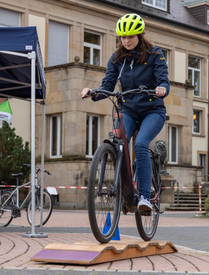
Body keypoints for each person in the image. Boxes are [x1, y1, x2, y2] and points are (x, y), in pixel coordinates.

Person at [81, 13, 170, 213]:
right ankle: (125, 190)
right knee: (117, 142)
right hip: (128, 109)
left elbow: (164, 80)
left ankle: (145, 198)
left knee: (139, 145)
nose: (126, 40)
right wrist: (93, 93)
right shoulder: (117, 58)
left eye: (130, 36)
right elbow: (108, 84)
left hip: (152, 111)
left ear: (139, 35)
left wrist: (162, 88)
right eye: (123, 37)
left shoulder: (155, 55)